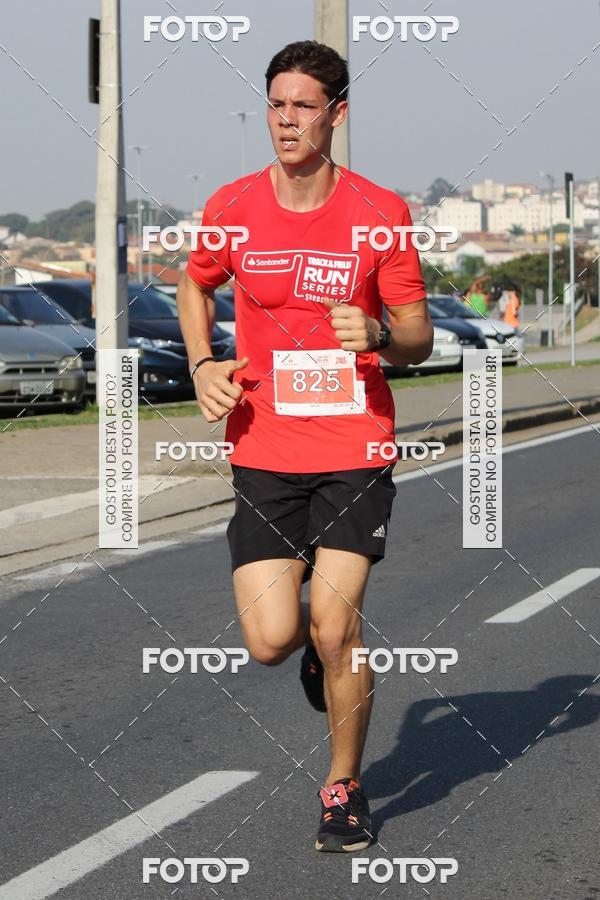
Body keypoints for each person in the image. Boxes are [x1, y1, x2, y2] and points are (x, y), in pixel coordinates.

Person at [177, 40, 432, 853]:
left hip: (354, 445)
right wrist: (203, 363)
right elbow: (195, 283)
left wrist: (381, 335)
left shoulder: (379, 212)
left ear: (337, 114)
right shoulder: (232, 205)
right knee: (269, 641)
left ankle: (343, 787)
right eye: (277, 105)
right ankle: (319, 658)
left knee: (336, 627)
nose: (287, 120)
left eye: (304, 106)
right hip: (264, 447)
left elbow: (419, 337)